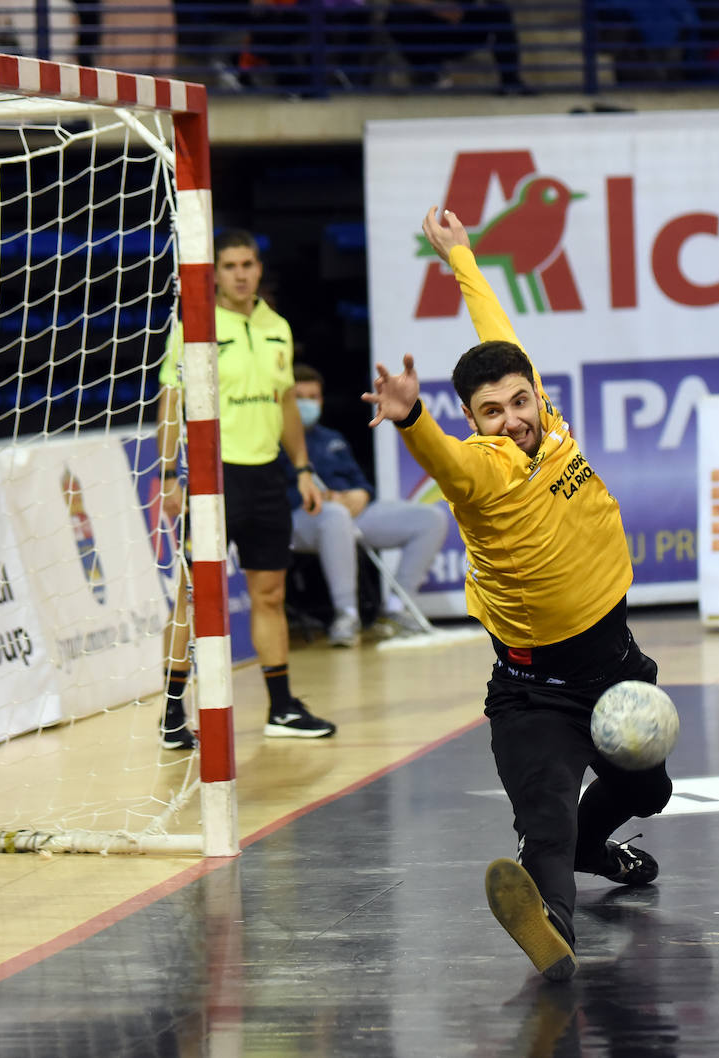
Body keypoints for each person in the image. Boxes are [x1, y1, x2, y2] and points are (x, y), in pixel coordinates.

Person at [362, 206, 672, 982]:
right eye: (491, 412)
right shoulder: (483, 471)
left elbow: (496, 327)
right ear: (472, 419)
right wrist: (411, 419)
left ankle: (596, 851)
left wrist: (462, 256)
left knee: (650, 789)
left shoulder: (552, 425)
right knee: (546, 819)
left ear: (536, 394)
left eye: (519, 402)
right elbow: (447, 462)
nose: (511, 421)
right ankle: (552, 929)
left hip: (617, 665)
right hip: (537, 689)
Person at [156, 229, 337, 745]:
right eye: (230, 265)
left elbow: (286, 403)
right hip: (214, 479)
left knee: (270, 593)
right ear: (215, 273)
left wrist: (302, 468)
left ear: (259, 269)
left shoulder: (277, 327)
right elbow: (171, 399)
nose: (240, 274)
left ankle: (281, 708)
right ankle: (172, 713)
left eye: (247, 264)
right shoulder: (195, 326)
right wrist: (168, 474)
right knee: (192, 595)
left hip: (266, 477)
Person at [285, 363, 450, 647]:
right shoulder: (275, 440)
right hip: (301, 518)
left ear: (322, 400)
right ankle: (347, 615)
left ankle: (397, 609)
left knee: (430, 518)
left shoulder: (332, 439)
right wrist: (315, 497)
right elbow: (273, 494)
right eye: (299, 397)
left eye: (313, 397)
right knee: (335, 516)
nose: (307, 404)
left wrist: (361, 494)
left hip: (351, 513)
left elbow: (362, 482)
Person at [382, 0, 533, 94]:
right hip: (423, 23)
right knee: (397, 17)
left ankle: (510, 81)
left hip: (459, 25)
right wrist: (436, 7)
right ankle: (427, 73)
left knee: (498, 9)